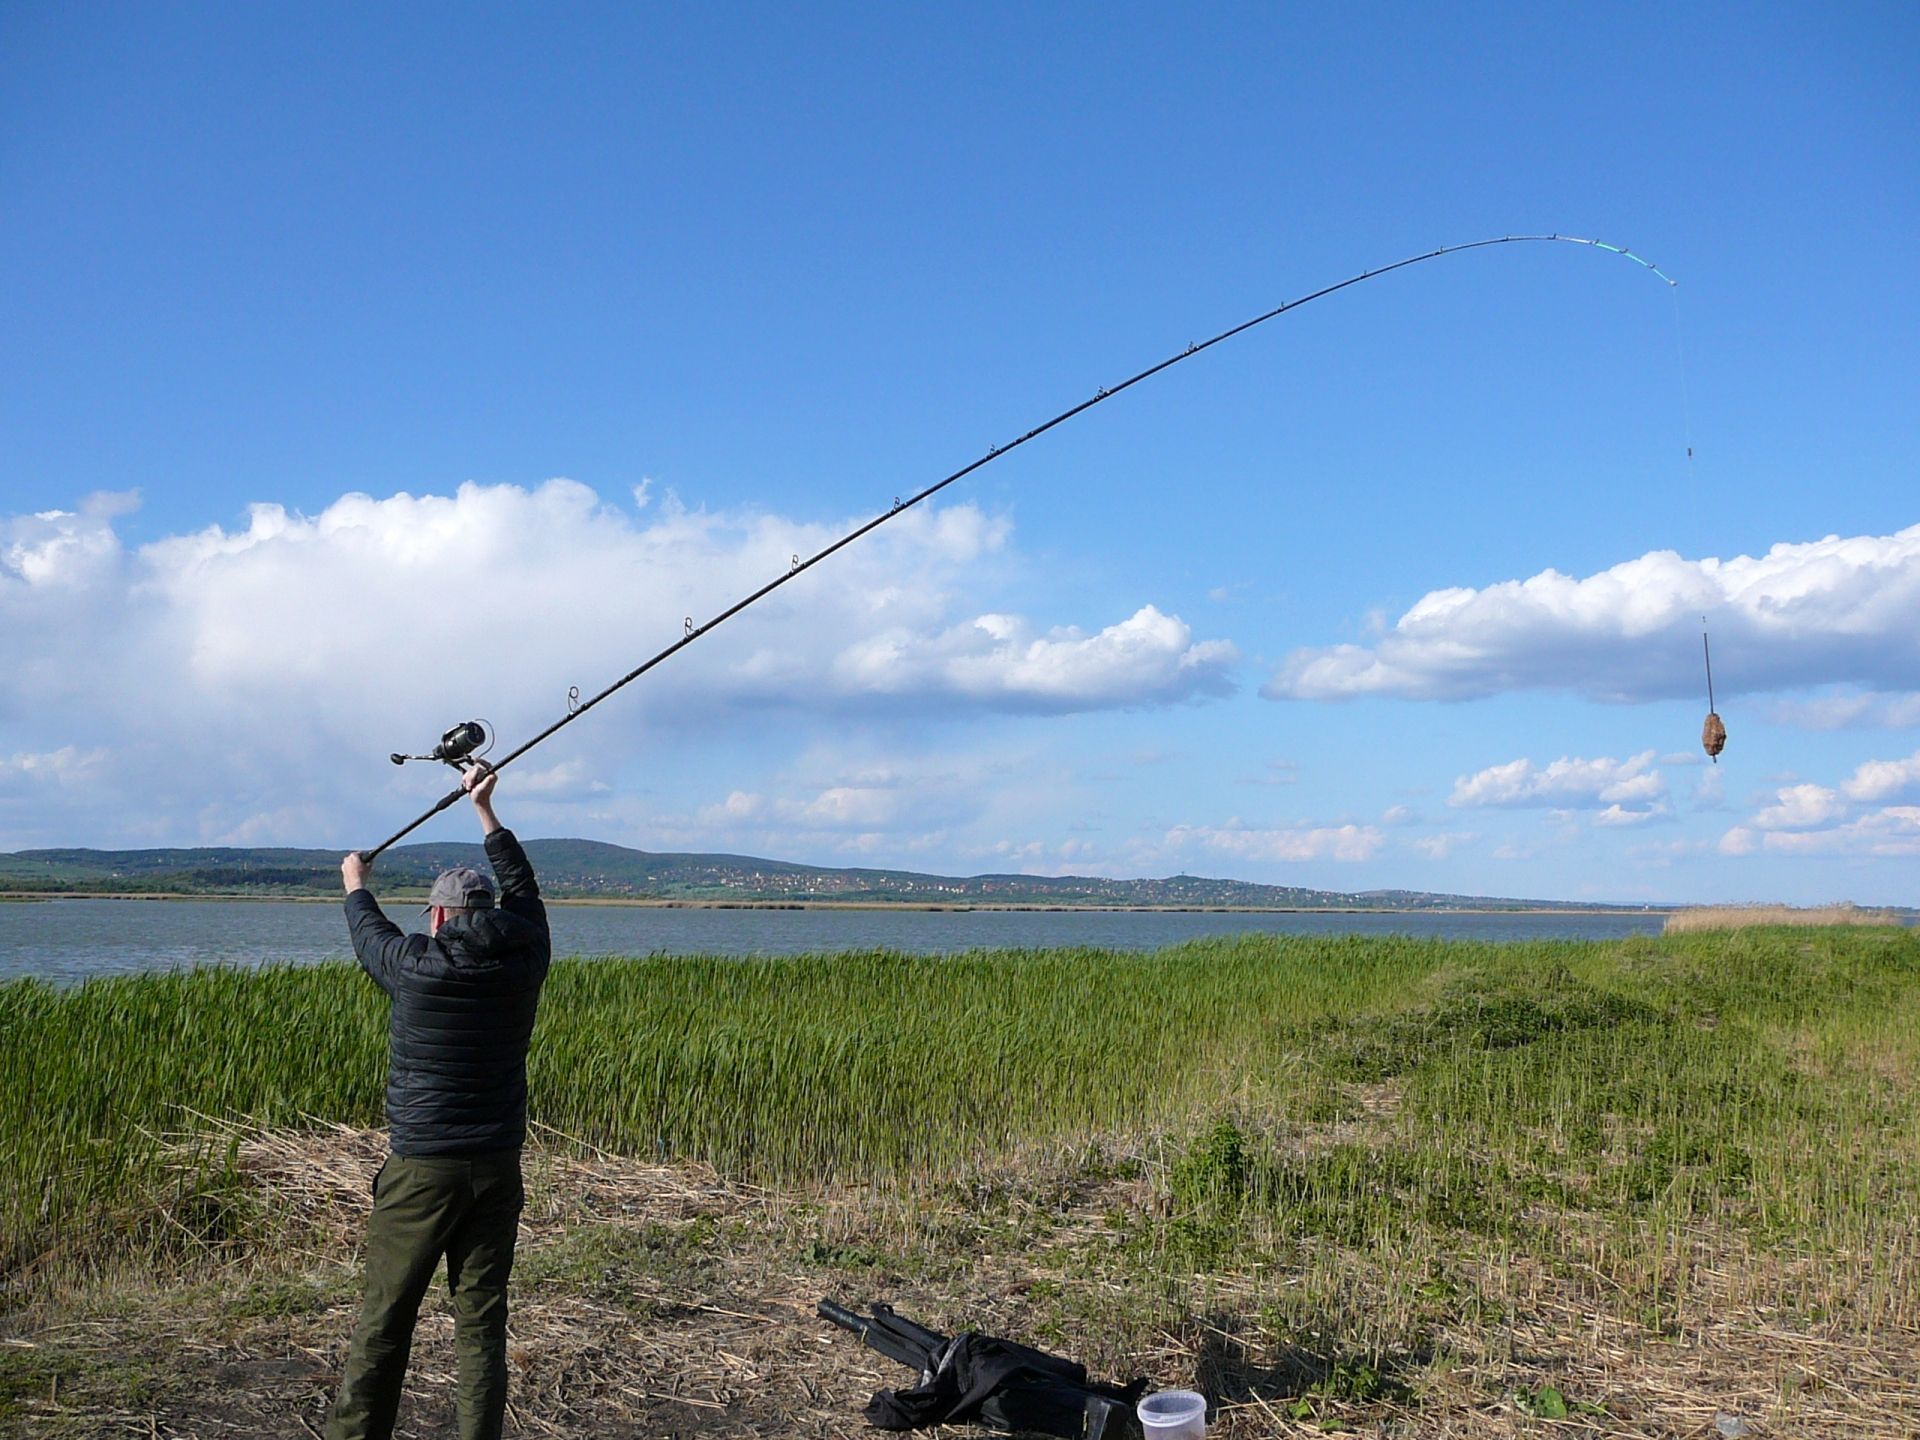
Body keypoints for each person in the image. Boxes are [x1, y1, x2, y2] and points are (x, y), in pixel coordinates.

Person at [325, 764, 551, 1440]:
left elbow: (369, 934)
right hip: (497, 1166)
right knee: (481, 1322)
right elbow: (526, 890)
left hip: (422, 1170)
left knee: (386, 1319)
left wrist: (355, 884)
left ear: (441, 914)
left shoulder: (416, 967)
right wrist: (487, 812)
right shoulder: (527, 955)